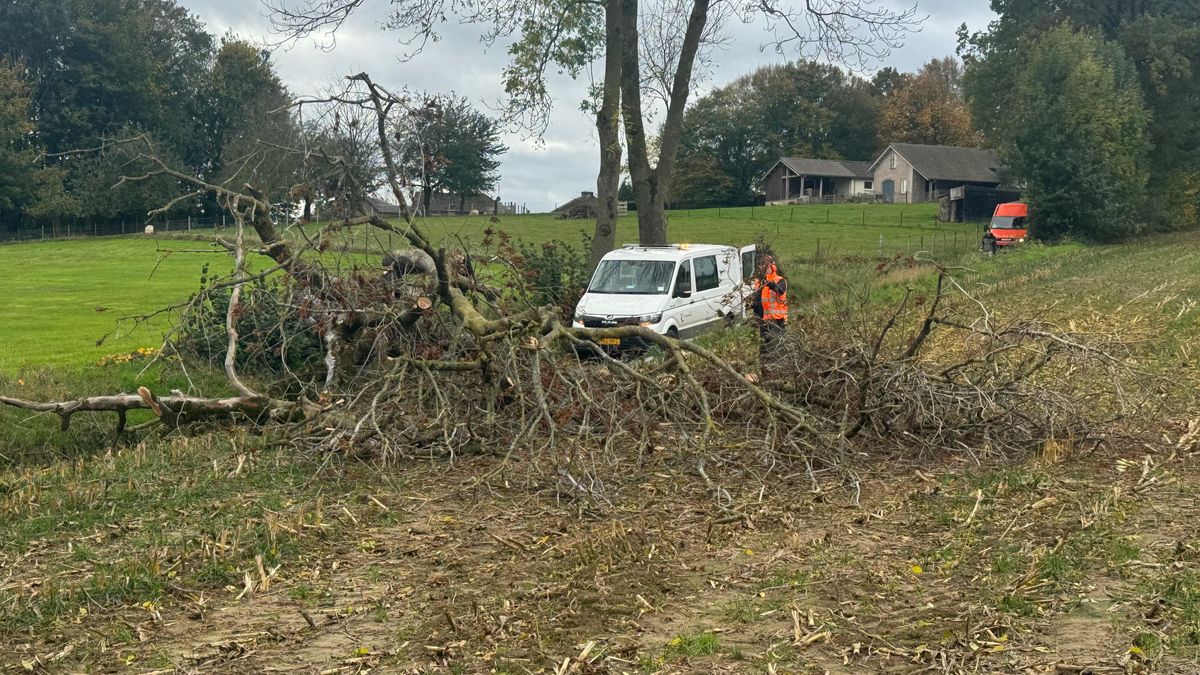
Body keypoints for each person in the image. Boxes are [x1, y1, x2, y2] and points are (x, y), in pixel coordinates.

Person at [751, 254, 788, 372]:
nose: (764, 268)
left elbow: (780, 290)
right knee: (764, 349)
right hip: (764, 321)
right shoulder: (758, 283)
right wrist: (753, 310)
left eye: (766, 266)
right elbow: (758, 302)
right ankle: (765, 372)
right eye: (762, 266)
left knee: (778, 347)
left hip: (778, 320)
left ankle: (781, 370)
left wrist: (769, 283)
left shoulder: (780, 280)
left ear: (773, 267)